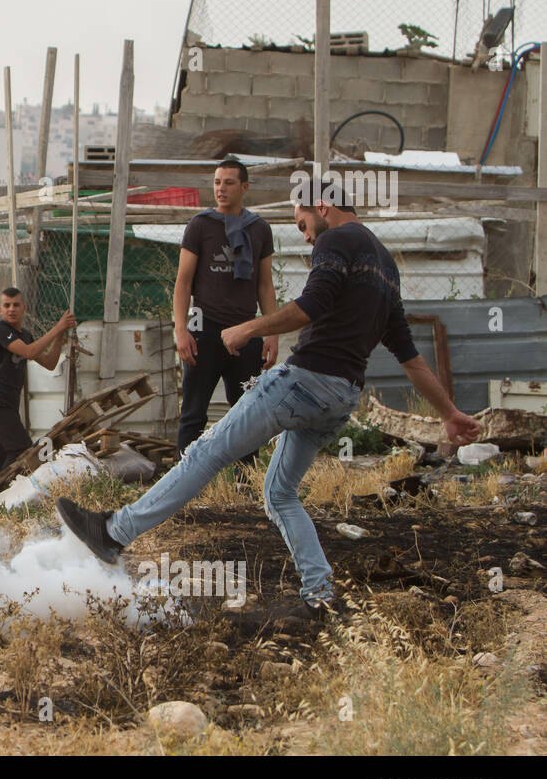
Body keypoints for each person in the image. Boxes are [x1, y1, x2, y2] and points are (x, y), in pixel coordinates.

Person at [56, 186, 482, 616]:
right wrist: (449, 413)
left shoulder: (336, 239)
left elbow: (312, 304)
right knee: (280, 494)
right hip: (341, 396)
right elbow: (408, 354)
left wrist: (248, 329)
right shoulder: (386, 265)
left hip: (304, 381)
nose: (306, 237)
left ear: (322, 207)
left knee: (205, 451)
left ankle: (114, 532)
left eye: (301, 224)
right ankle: (320, 593)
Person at [174, 158, 277, 463]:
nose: (221, 188)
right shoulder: (200, 225)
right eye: (217, 182)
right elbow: (183, 282)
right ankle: (183, 480)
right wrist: (181, 329)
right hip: (204, 331)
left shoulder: (259, 228)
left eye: (229, 182)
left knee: (247, 412)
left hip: (247, 334)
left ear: (244, 187)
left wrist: (270, 333)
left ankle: (243, 484)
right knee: (193, 413)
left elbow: (265, 286)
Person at [0, 288, 77, 487]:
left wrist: (60, 338)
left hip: (9, 402)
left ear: (24, 307)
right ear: (0, 310)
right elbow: (29, 353)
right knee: (21, 449)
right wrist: (57, 328)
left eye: (16, 305)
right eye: (7, 305)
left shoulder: (26, 334)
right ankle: (2, 492)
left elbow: (49, 362)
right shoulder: (0, 330)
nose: (11, 309)